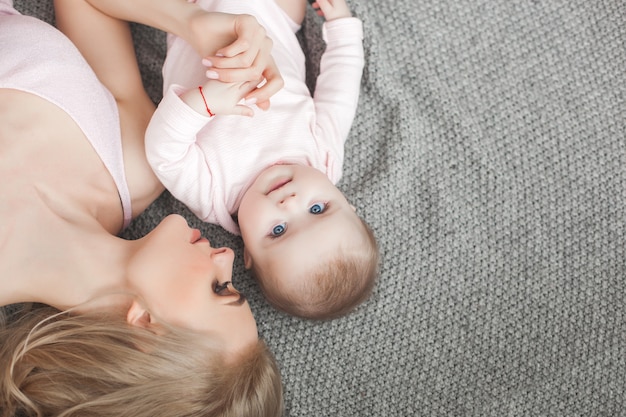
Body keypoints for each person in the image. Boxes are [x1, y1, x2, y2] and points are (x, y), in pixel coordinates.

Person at [0, 0, 284, 415]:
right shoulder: (136, 162)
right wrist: (190, 22)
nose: (228, 258)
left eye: (220, 288)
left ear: (145, 326)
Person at [144, 0, 380, 320]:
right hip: (273, 17)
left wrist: (202, 104)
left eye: (279, 230)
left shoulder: (213, 197)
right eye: (316, 209)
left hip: (192, 17)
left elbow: (163, 153)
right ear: (345, 201)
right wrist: (342, 26)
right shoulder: (323, 155)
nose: (289, 202)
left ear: (249, 254)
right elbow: (340, 87)